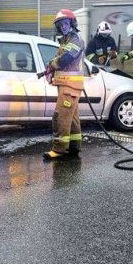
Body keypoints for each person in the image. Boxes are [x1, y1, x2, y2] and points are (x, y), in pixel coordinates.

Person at [43, 9, 86, 161]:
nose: (63, 27)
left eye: (65, 23)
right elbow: (60, 60)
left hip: (70, 86)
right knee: (72, 117)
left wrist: (52, 65)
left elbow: (65, 59)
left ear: (72, 23)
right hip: (66, 85)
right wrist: (50, 70)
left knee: (60, 116)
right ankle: (74, 147)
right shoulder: (66, 40)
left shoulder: (75, 40)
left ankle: (59, 149)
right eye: (60, 25)